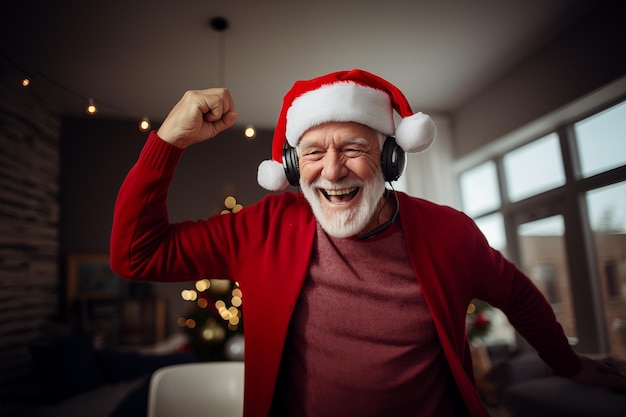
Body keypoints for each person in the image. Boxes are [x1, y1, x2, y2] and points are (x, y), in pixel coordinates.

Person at [110, 69, 626, 417]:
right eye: (312, 152)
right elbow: (136, 254)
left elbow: (518, 295)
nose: (331, 170)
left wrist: (570, 366)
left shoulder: (449, 233)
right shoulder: (262, 228)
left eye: (354, 148)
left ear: (392, 159)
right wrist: (167, 142)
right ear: (291, 167)